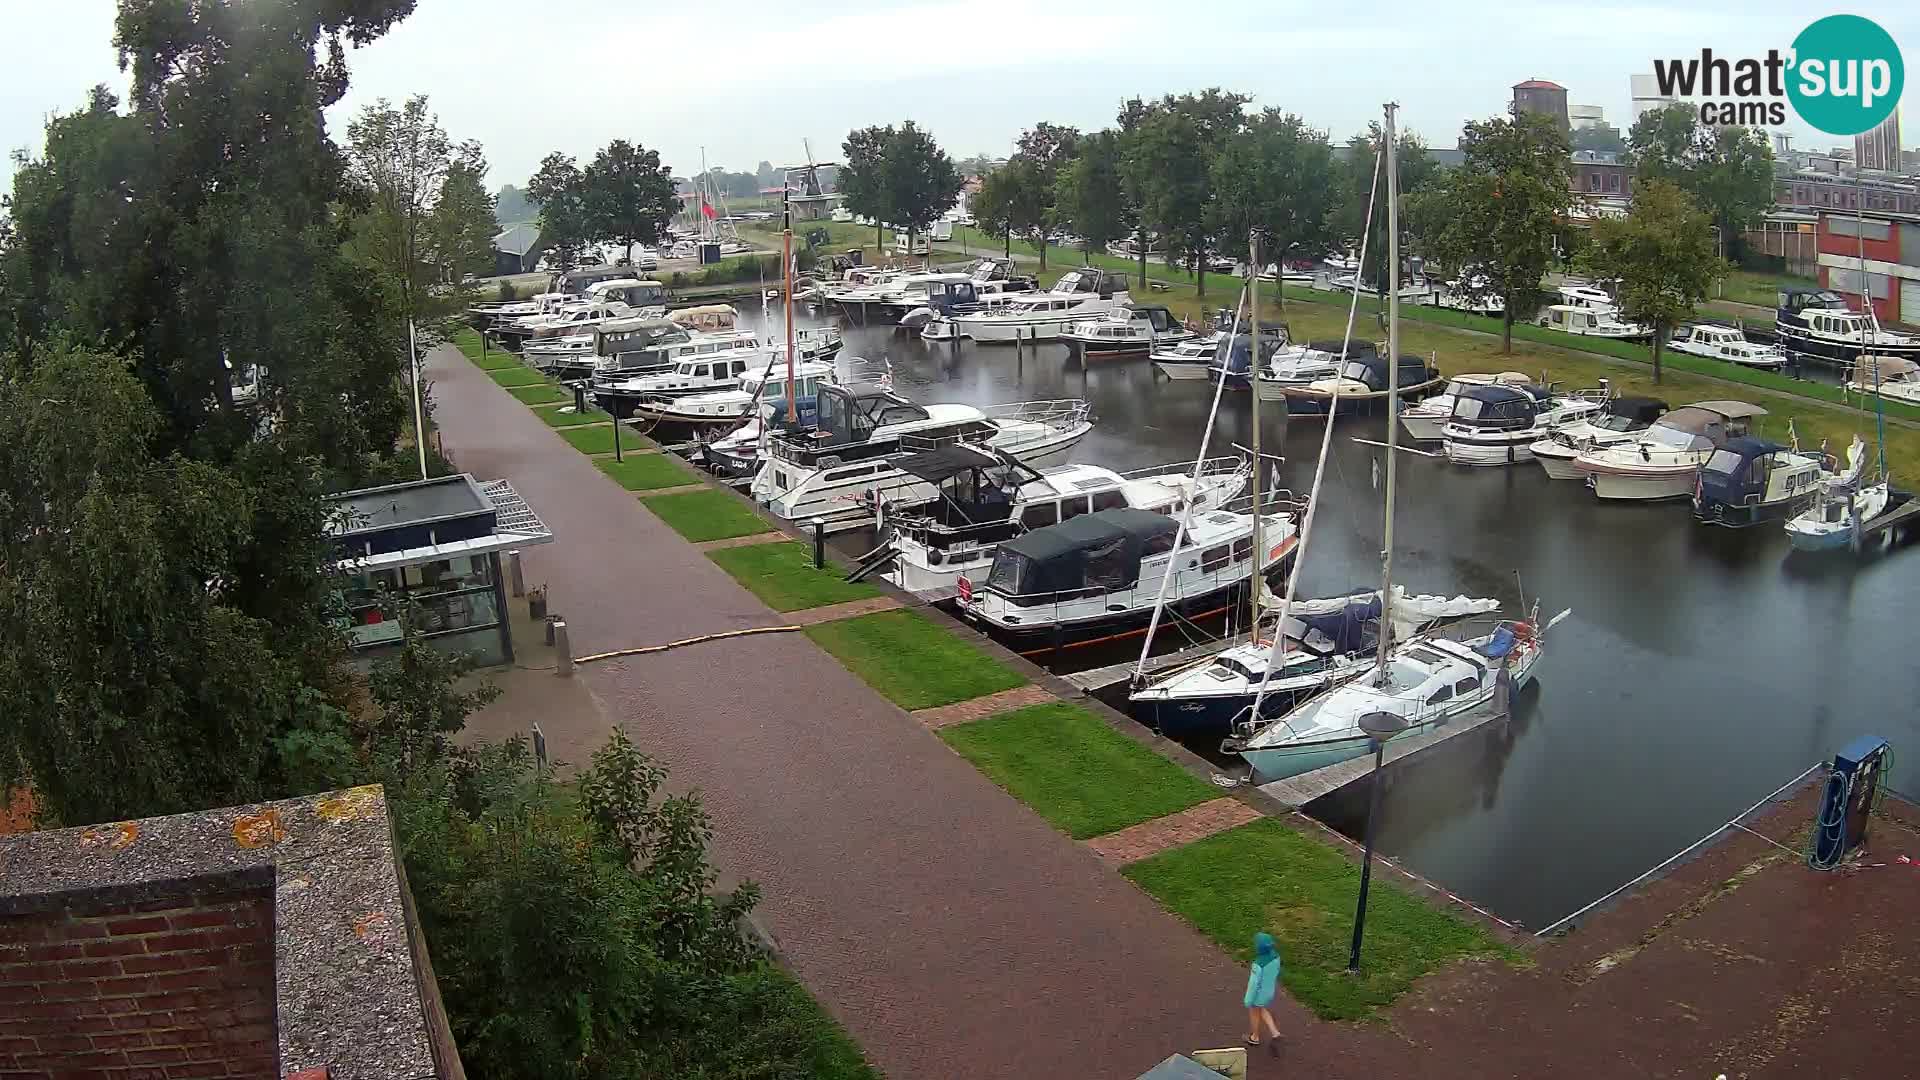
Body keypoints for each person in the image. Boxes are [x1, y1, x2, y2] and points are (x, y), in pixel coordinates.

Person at [1243, 931, 1282, 1052]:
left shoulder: (1258, 965)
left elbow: (1254, 984)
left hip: (1258, 994)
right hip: (1269, 991)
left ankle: (1254, 1037)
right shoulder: (1276, 957)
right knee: (1262, 1010)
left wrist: (1248, 1000)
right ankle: (1275, 1033)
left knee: (1254, 1012)